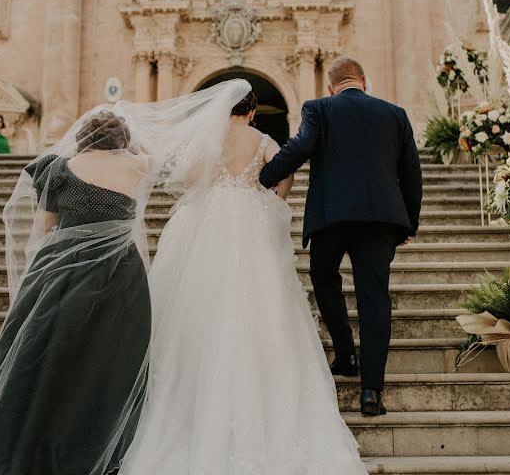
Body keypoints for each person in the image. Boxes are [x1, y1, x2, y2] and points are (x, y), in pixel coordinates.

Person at [0, 80, 255, 475]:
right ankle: (101, 448)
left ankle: (23, 445)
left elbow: (40, 232)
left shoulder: (57, 169)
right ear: (122, 140)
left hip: (59, 273)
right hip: (119, 275)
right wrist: (133, 141)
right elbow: (157, 159)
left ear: (80, 137)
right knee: (108, 364)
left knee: (42, 359)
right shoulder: (135, 165)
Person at [119, 84, 368, 475]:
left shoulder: (210, 137)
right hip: (251, 220)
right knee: (263, 307)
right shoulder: (264, 139)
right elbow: (285, 176)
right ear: (252, 112)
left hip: (209, 224)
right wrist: (269, 199)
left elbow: (190, 177)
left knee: (200, 305)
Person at [258, 57, 423, 417]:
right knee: (374, 297)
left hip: (331, 217)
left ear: (330, 87)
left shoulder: (318, 108)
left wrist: (262, 178)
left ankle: (346, 353)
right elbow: (411, 170)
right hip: (380, 220)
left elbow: (299, 149)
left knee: (324, 277)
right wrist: (409, 222)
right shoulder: (395, 114)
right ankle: (371, 391)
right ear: (364, 80)